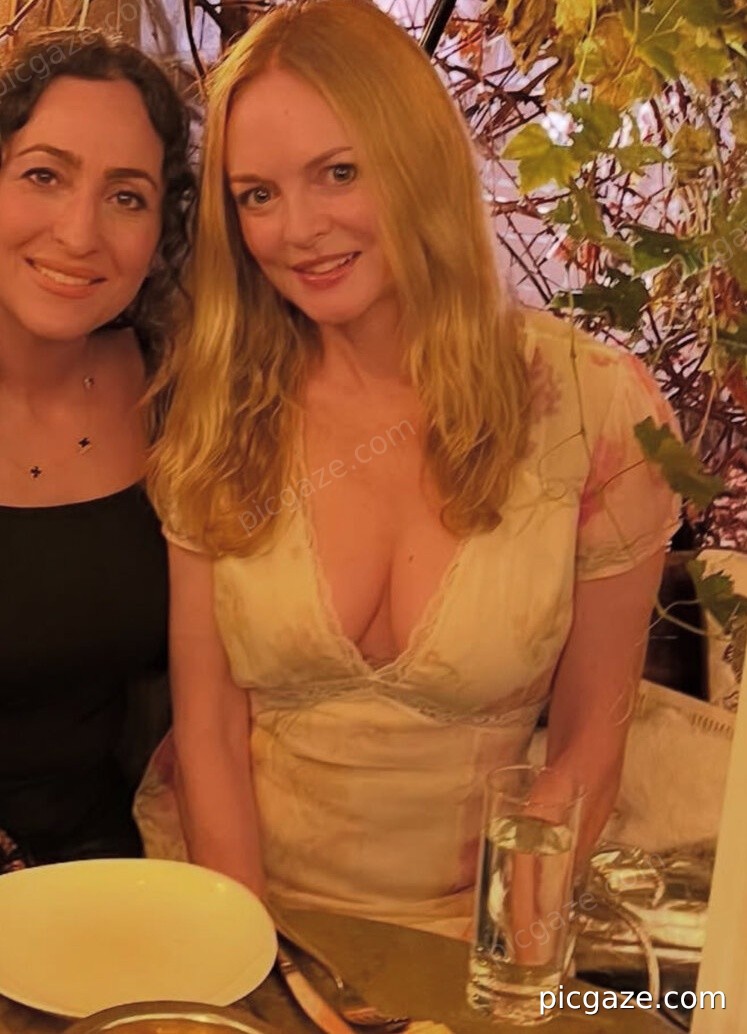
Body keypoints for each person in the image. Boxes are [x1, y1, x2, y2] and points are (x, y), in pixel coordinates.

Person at [141, 0, 680, 934]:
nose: (297, 229)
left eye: (338, 172)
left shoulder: (593, 406)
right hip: (234, 904)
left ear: (417, 160)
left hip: (483, 925)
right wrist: (248, 957)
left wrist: (506, 951)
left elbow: (590, 737)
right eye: (257, 195)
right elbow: (210, 735)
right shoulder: (220, 405)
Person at [0, 29, 194, 870]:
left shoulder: (172, 392)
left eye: (126, 196)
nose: (80, 234)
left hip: (105, 873)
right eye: (44, 175)